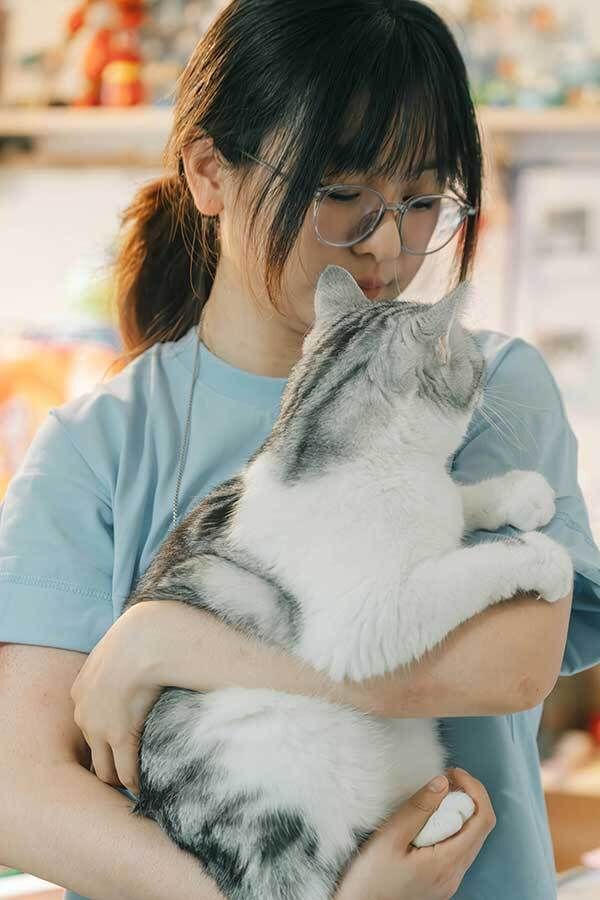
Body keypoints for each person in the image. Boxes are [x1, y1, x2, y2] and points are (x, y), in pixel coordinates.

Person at [1, 0, 599, 897]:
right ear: (211, 172)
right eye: (343, 198)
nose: (390, 245)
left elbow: (509, 663)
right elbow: (20, 789)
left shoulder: (472, 379)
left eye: (423, 200)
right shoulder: (101, 444)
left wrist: (171, 644)